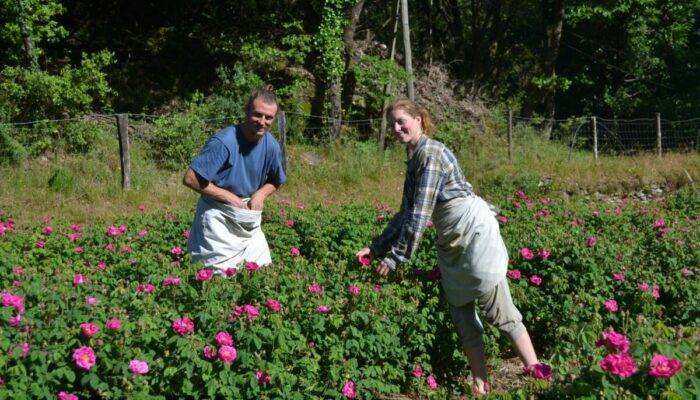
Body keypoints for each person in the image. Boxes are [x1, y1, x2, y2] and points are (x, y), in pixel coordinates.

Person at [355, 98, 545, 395]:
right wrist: (376, 248)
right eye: (391, 123)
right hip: (452, 238)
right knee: (461, 313)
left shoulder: (430, 154)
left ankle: (537, 374)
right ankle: (481, 385)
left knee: (499, 310)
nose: (396, 128)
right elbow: (405, 213)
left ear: (418, 119)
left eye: (401, 120)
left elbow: (420, 213)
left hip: (472, 233)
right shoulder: (415, 155)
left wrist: (397, 258)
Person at [184, 86, 286, 273]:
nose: (262, 122)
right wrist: (228, 197)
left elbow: (276, 180)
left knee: (261, 272)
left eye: (268, 117)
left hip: (248, 215)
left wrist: (260, 194)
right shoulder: (224, 142)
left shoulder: (270, 145)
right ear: (246, 111)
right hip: (217, 213)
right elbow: (190, 178)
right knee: (219, 276)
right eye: (257, 115)